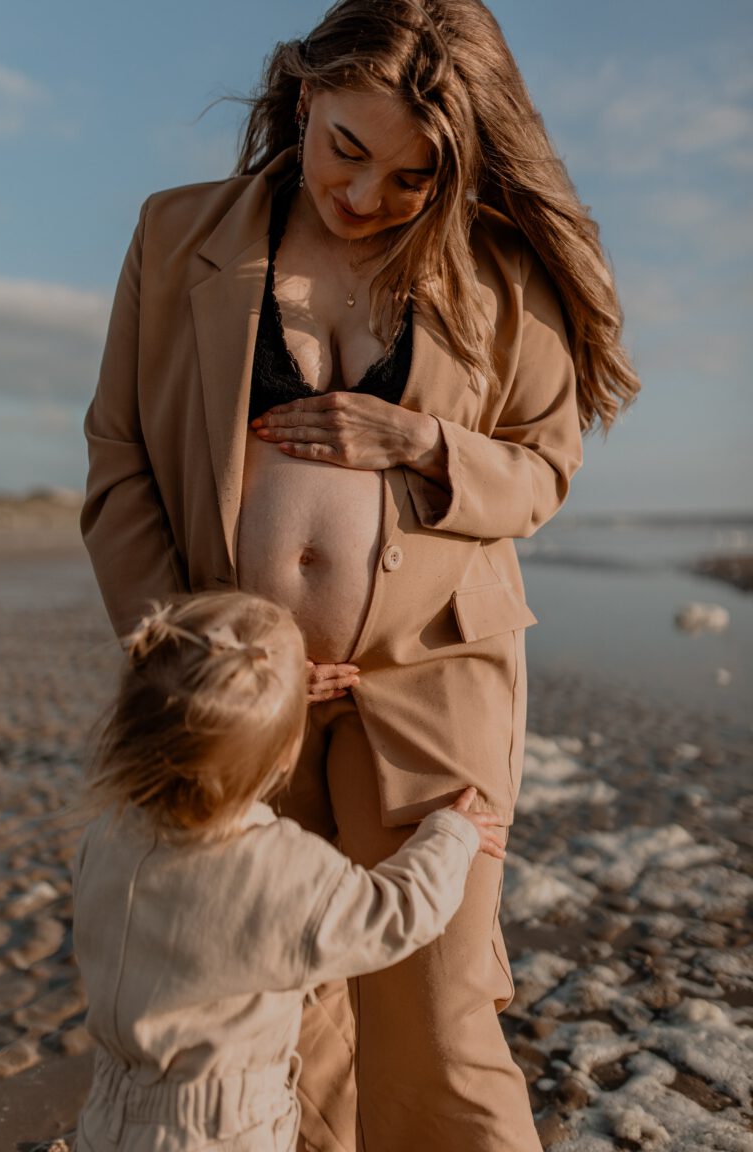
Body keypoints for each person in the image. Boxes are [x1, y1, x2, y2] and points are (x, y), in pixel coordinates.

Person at [81, 1, 639, 1148]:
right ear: (302, 91)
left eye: (413, 176)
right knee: (265, 1004)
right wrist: (197, 648)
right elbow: (119, 457)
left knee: (438, 1014)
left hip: (437, 680)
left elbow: (545, 470)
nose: (366, 194)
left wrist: (428, 446)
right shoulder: (176, 233)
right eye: (348, 149)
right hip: (238, 698)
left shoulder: (503, 272)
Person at [72, 591, 504, 1152]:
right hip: (224, 1131)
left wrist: (252, 710)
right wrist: (452, 837)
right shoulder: (276, 866)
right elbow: (396, 913)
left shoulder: (105, 837)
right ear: (283, 757)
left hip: (109, 1114)